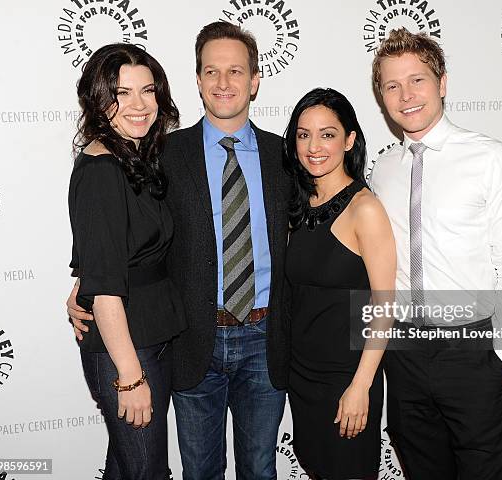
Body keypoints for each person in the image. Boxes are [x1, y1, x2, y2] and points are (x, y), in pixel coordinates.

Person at [68, 22, 292, 479]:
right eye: (212, 71)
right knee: (196, 471)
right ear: (198, 80)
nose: (224, 83)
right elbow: (114, 238)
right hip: (191, 341)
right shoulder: (162, 154)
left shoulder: (285, 156)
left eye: (236, 71)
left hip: (265, 340)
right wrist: (85, 286)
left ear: (255, 80)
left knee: (259, 469)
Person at [369, 28, 502, 480]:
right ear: (382, 96)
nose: (406, 95)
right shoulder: (382, 171)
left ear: (442, 83)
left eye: (417, 80)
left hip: (473, 351)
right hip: (404, 353)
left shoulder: (491, 159)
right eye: (392, 85)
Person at [68, 43, 187, 479]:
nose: (139, 105)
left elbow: (108, 257)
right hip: (126, 351)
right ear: (99, 100)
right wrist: (131, 378)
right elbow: (105, 286)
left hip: (151, 335)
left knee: (125, 467)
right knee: (148, 473)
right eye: (122, 93)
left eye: (148, 91)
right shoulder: (101, 170)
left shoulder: (134, 158)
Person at [283, 88, 396, 480]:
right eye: (303, 134)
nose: (314, 146)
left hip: (347, 378)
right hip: (303, 377)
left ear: (349, 140)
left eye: (327, 134)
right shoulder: (299, 204)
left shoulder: (364, 209)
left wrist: (361, 385)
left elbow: (385, 306)